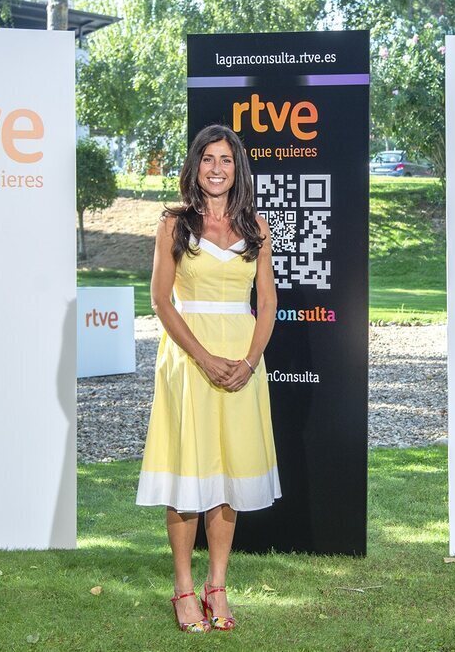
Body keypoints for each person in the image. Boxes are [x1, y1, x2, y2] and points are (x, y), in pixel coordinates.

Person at [136, 124, 281, 633]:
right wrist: (202, 357)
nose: (217, 168)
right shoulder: (174, 224)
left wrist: (248, 361)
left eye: (226, 159)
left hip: (243, 364)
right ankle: (182, 590)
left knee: (228, 476)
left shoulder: (257, 227)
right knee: (189, 475)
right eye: (207, 159)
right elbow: (160, 300)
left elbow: (267, 301)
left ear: (238, 167)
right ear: (195, 165)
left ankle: (216, 586)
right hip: (187, 360)